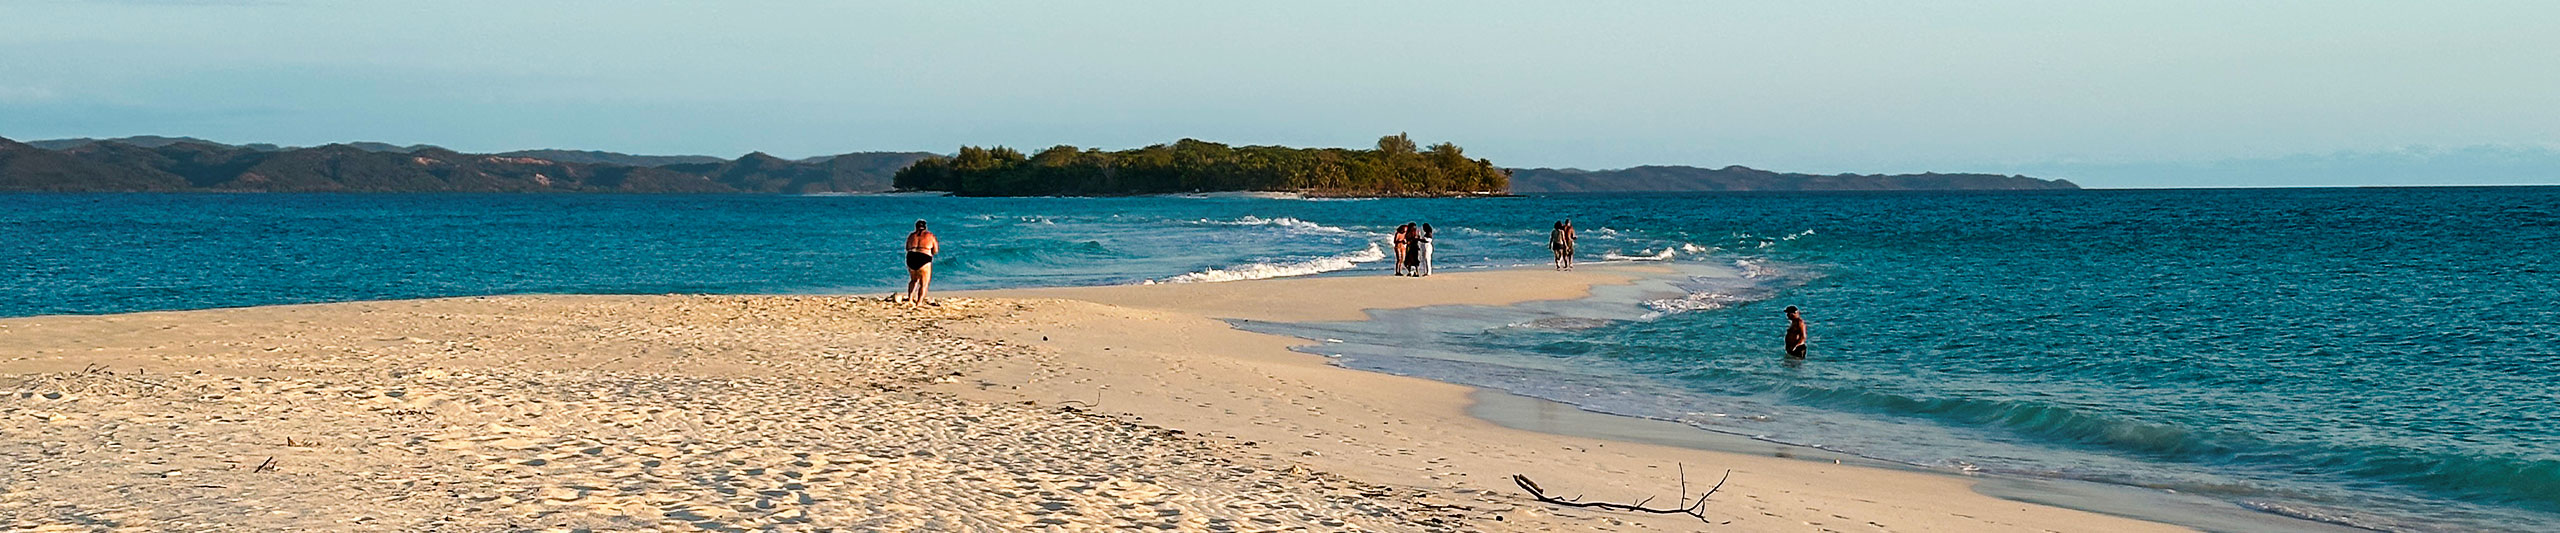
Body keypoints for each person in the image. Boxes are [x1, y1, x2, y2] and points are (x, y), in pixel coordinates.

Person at [904, 220, 939, 306]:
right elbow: (935, 250)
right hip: (924, 257)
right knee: (924, 283)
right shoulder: (930, 236)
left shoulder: (911, 236)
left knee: (913, 280)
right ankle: (919, 302)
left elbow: (907, 248)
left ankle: (910, 299)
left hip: (911, 257)